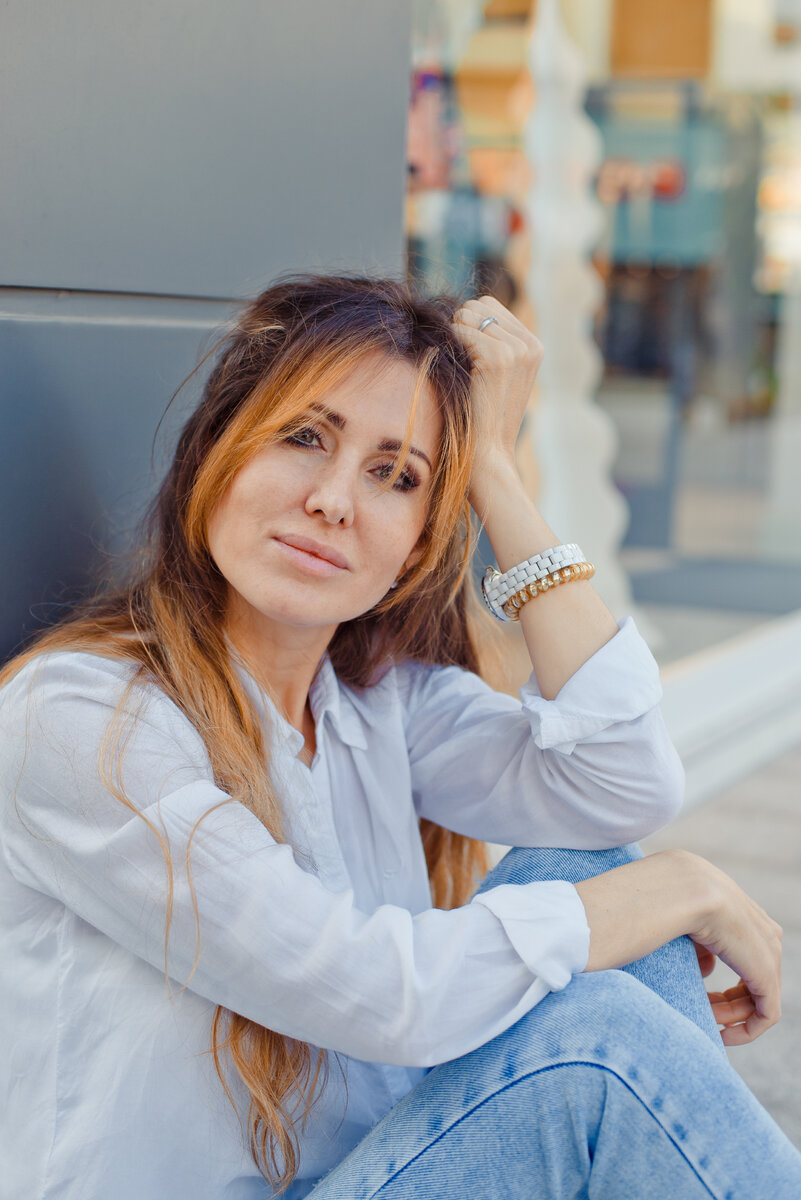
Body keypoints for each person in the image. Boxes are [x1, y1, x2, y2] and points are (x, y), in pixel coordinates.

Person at [0, 275, 798, 1200]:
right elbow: (368, 990)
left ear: (414, 550)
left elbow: (621, 785)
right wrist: (678, 887)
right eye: (305, 437)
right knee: (601, 1028)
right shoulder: (81, 721)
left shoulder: (378, 708)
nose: (334, 501)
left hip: (374, 1174)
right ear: (219, 449)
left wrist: (492, 469)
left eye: (396, 475)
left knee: (589, 872)